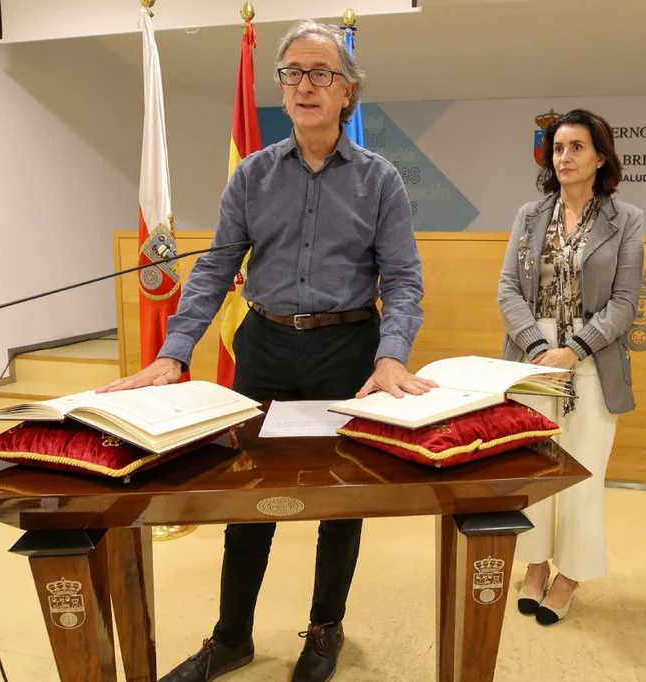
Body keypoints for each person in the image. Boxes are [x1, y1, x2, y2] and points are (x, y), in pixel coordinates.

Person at [99, 19, 435, 682]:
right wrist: (176, 350)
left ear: (348, 92)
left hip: (347, 352)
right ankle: (231, 638)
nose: (306, 85)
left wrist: (392, 354)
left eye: (321, 74)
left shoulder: (380, 181)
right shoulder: (251, 176)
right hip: (265, 350)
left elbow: (402, 279)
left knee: (341, 502)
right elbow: (215, 266)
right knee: (247, 495)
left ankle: (325, 631)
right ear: (281, 89)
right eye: (293, 74)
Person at [497, 109, 644, 625]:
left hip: (591, 359)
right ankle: (534, 566)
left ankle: (569, 575)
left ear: (600, 156)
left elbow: (624, 303)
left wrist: (574, 349)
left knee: (581, 474)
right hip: (531, 358)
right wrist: (538, 344)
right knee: (533, 471)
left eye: (576, 147)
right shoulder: (529, 216)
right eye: (558, 148)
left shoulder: (626, 220)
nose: (565, 157)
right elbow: (508, 290)